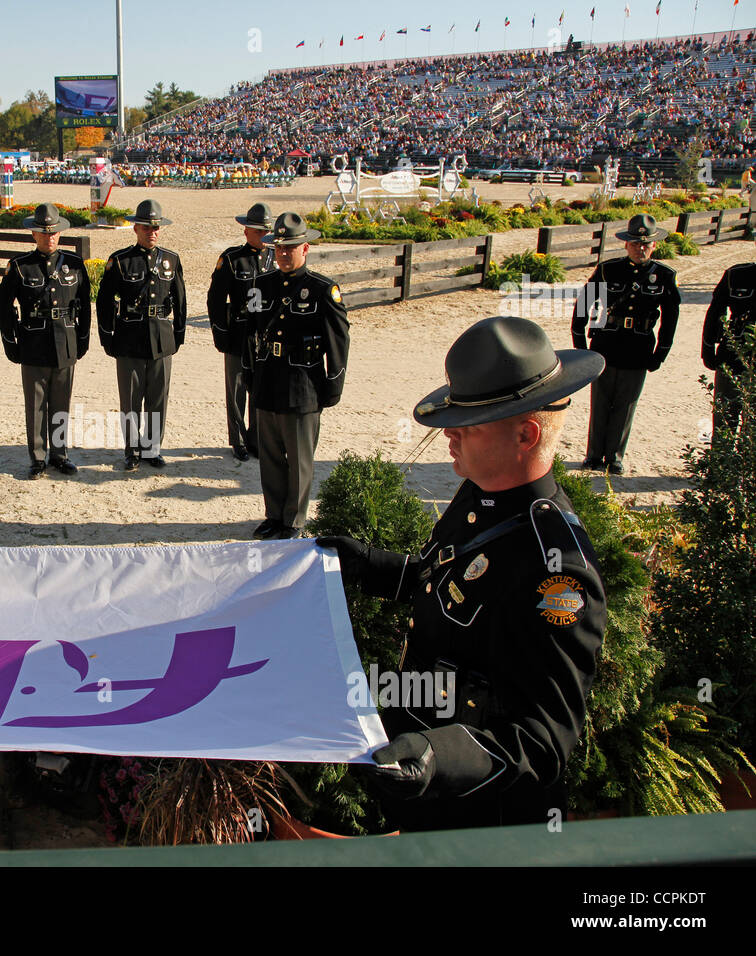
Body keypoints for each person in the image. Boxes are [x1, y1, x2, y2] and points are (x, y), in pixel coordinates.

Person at [318, 315, 608, 831]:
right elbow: (443, 584)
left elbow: (545, 742)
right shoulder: (483, 492)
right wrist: (366, 564)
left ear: (526, 432)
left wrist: (438, 756)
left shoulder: (556, 573)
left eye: (468, 426)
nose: (449, 435)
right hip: (424, 767)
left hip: (481, 815)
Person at [249, 212, 349, 540]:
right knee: (271, 458)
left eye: (290, 248)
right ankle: (274, 515)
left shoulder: (322, 290)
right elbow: (250, 333)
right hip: (268, 383)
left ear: (305, 248)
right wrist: (249, 375)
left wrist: (333, 384)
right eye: (278, 249)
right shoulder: (261, 286)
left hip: (302, 387)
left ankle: (294, 521)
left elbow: (338, 340)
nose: (283, 254)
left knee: (300, 461)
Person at [571, 213, 680, 475]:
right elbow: (586, 302)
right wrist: (579, 339)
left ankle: (614, 457)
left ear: (654, 245)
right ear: (626, 244)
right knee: (601, 401)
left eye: (645, 244)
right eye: (635, 244)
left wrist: (661, 352)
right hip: (606, 343)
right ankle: (594, 455)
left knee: (626, 403)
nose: (640, 248)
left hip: (638, 347)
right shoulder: (609, 269)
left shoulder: (664, 276)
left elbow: (671, 317)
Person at [0, 202, 91, 478]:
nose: (49, 237)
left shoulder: (74, 264)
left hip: (65, 343)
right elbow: (4, 305)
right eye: (43, 233)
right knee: (36, 404)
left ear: (59, 233)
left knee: (61, 401)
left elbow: (84, 305)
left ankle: (59, 455)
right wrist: (10, 341)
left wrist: (82, 339)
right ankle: (37, 457)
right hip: (33, 344)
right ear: (34, 235)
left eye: (53, 233)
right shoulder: (20, 266)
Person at [96, 199, 187, 470]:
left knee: (158, 400)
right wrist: (107, 336)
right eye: (146, 227)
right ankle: (132, 450)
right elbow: (104, 301)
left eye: (156, 227)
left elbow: (180, 301)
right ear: (135, 228)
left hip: (161, 339)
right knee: (132, 400)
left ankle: (152, 448)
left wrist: (178, 335)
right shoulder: (121, 260)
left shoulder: (171, 259)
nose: (152, 232)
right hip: (129, 337)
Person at [207, 202, 277, 461]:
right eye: (258, 231)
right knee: (236, 388)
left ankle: (257, 439)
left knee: (260, 388)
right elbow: (215, 299)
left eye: (266, 231)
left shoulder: (274, 258)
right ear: (246, 231)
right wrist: (220, 333)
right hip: (239, 331)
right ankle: (237, 440)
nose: (263, 235)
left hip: (265, 335)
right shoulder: (232, 258)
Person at [702, 254, 756, 436]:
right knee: (724, 420)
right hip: (732, 357)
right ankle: (719, 463)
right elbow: (715, 312)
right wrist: (708, 349)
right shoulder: (736, 275)